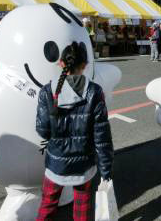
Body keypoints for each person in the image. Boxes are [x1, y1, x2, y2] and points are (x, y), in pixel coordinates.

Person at [36, 42, 114, 221]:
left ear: (61, 63)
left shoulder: (47, 91)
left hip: (56, 163)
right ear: (84, 65)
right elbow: (102, 137)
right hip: (83, 165)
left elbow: (42, 131)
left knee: (47, 204)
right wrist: (106, 170)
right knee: (82, 207)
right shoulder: (94, 91)